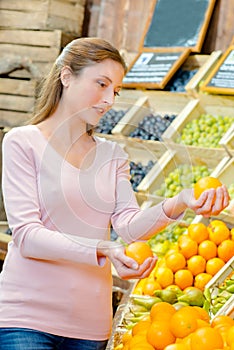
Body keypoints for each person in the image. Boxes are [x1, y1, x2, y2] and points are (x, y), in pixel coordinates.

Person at [0, 37, 229, 350]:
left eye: (116, 90)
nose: (108, 100)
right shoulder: (22, 142)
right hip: (27, 318)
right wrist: (104, 248)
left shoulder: (113, 155)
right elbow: (27, 235)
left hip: (90, 324)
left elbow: (128, 225)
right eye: (101, 83)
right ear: (66, 77)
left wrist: (181, 201)